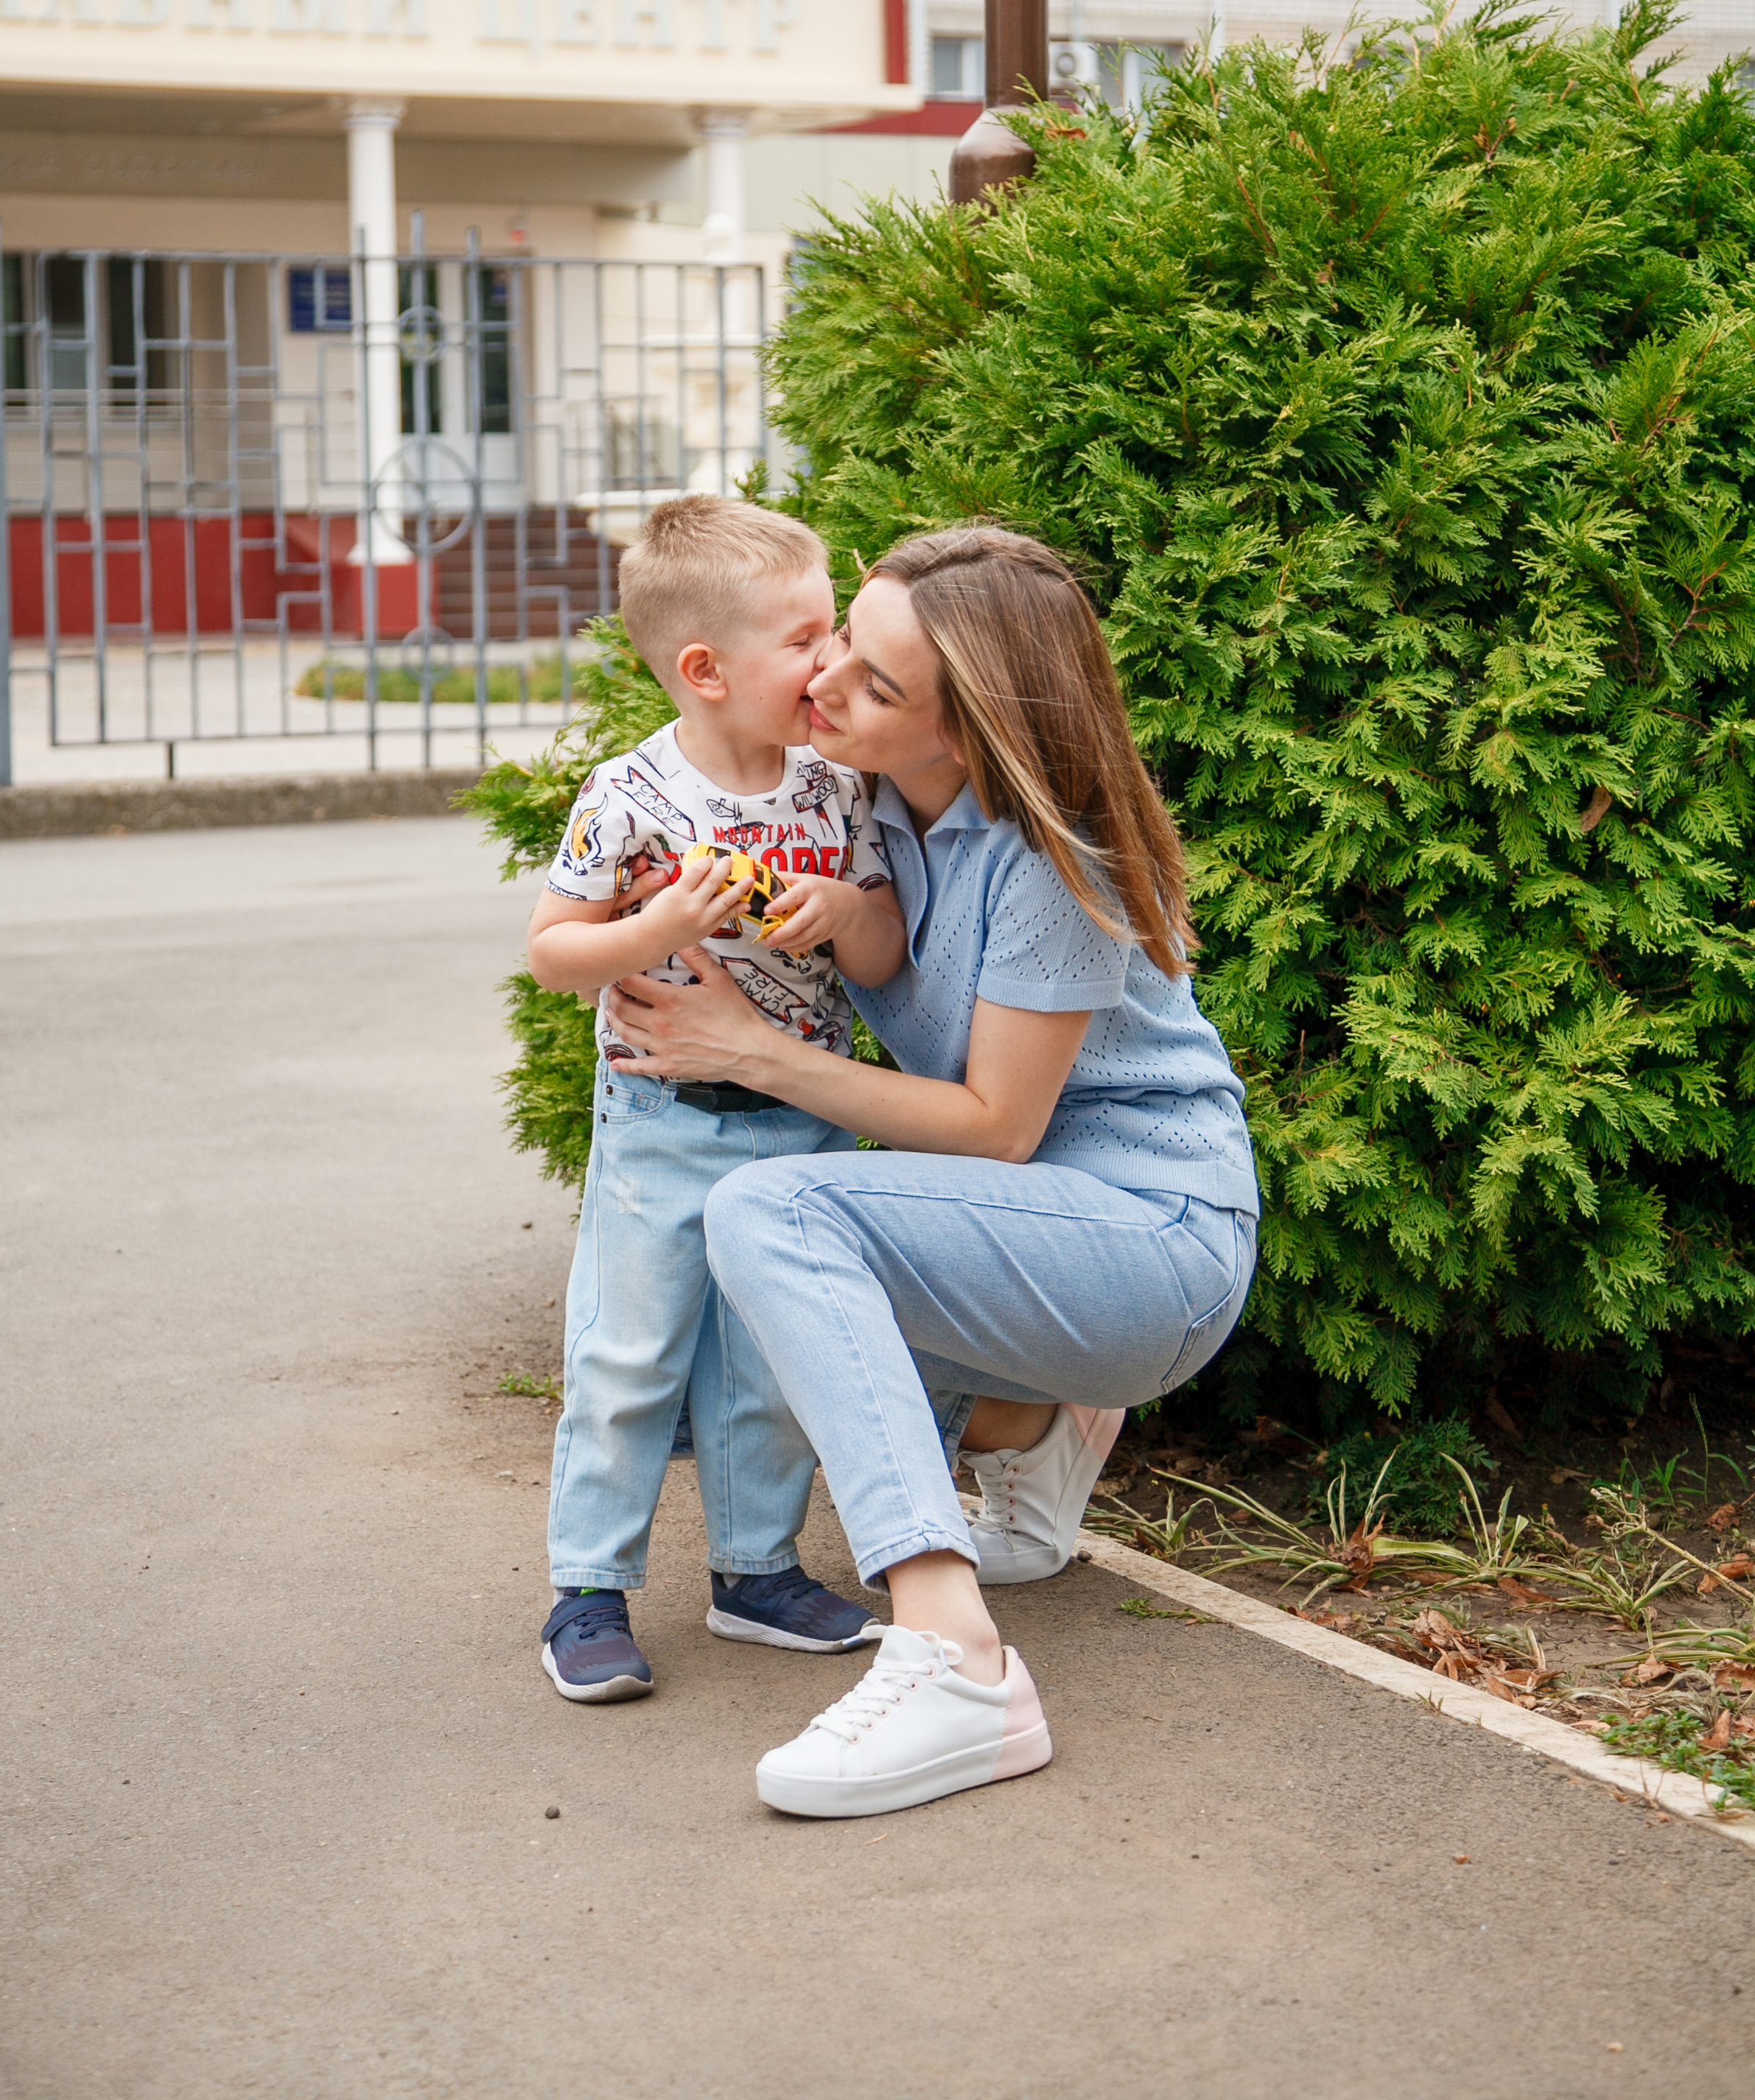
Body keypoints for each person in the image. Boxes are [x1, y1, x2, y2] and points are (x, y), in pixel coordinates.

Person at [607, 524, 1260, 1818]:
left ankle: (959, 1661)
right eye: (842, 636)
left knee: (770, 1215)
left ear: (968, 738)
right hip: (1024, 1230)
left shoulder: (1052, 864)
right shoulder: (863, 809)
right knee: (705, 1384)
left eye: (877, 685)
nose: (827, 680)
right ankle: (1030, 1422)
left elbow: (997, 1129)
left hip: (1150, 1241)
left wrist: (753, 1054)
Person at [525, 494, 908, 1704]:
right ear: (704, 669)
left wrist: (844, 915)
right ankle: (587, 1588)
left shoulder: (836, 789)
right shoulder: (627, 796)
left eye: (832, 627)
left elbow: (887, 947)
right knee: (628, 1355)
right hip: (662, 1116)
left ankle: (756, 1574)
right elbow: (552, 949)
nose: (830, 658)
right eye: (803, 639)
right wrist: (656, 924)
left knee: (765, 1363)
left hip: (797, 1126)